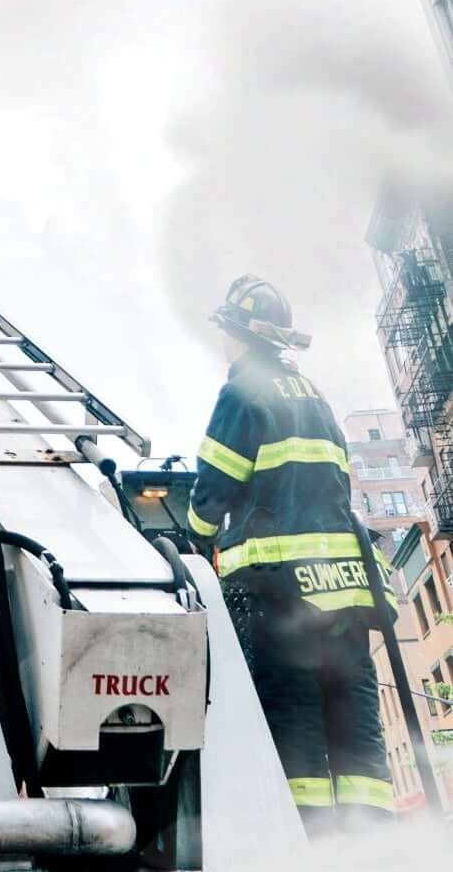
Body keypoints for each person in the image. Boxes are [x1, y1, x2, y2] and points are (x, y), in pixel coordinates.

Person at [187, 275, 395, 834]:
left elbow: (213, 491)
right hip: (345, 590)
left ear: (239, 335)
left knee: (294, 713)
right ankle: (374, 846)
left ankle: (313, 844)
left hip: (282, 593)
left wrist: (195, 535)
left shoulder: (243, 391)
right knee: (354, 718)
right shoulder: (314, 395)